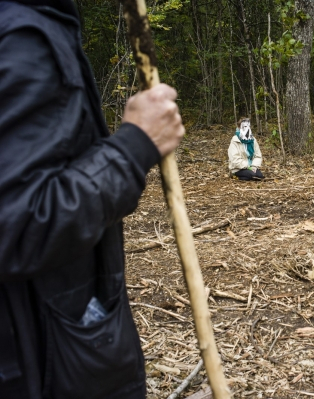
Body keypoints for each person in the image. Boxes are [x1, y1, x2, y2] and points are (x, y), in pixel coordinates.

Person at [0, 1, 184, 398]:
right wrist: (134, 147)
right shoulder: (21, 37)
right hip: (39, 361)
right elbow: (16, 224)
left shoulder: (36, 24)